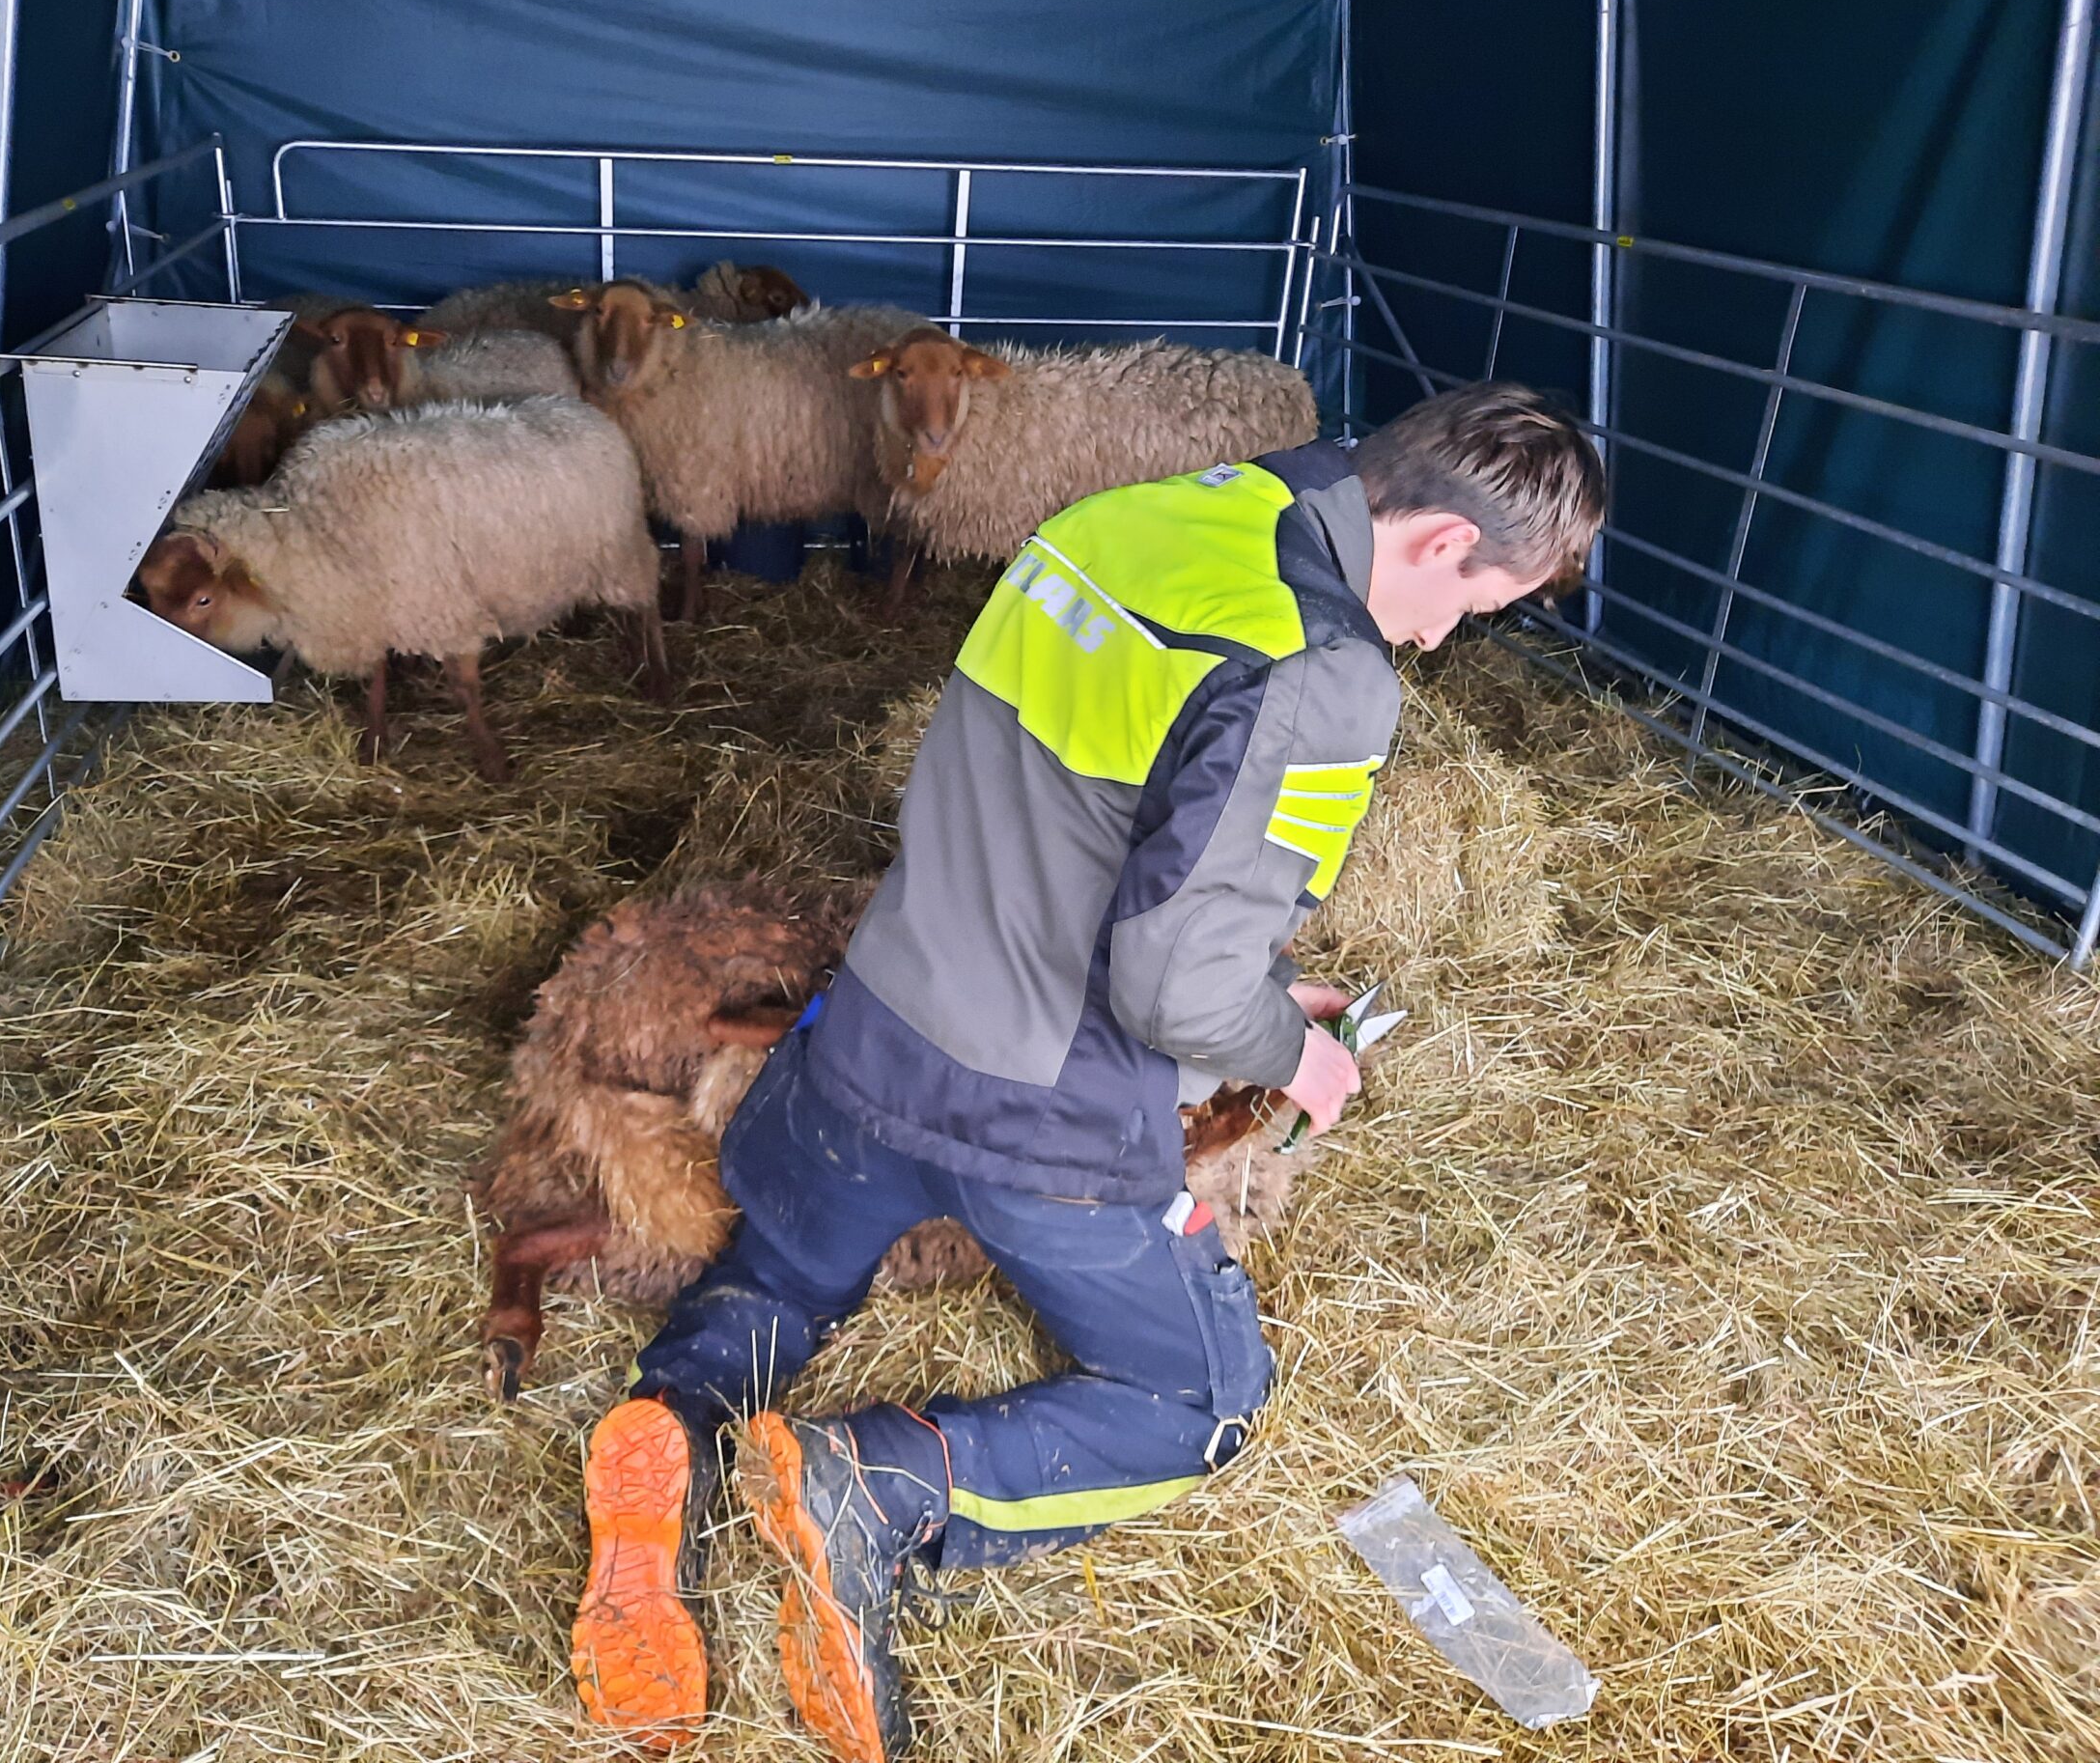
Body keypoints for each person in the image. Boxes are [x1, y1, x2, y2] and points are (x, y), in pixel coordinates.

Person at [566, 381, 1608, 1762]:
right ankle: (878, 1482)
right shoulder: (1321, 666)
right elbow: (1168, 981)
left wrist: (1241, 980)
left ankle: (673, 1426)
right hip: (1040, 1114)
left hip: (871, 1031)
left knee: (787, 1273)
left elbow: (1068, 820)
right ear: (1433, 543)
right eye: (1479, 604)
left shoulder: (1134, 522)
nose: (1449, 637)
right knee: (1205, 1405)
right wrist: (1293, 1046)